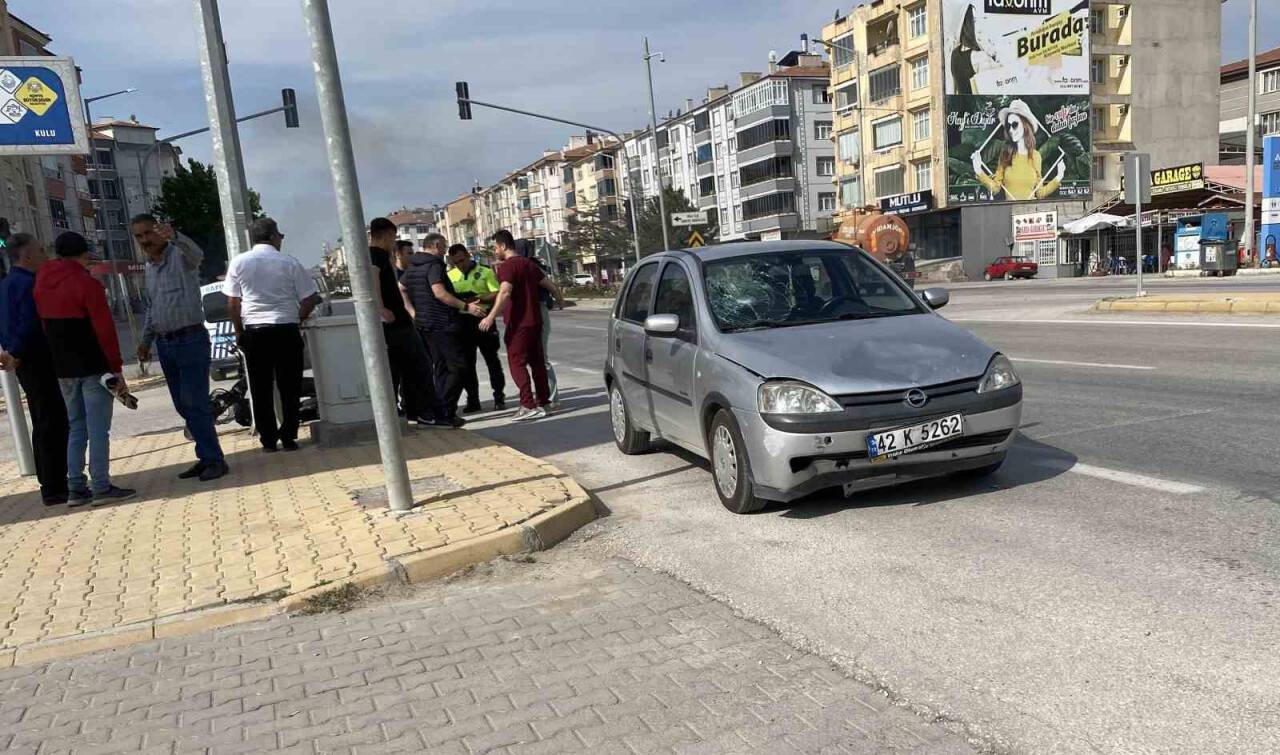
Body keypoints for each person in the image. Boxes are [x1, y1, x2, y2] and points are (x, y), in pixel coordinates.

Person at [34, 232, 135, 504]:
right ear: (84, 254)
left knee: (76, 427)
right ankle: (101, 485)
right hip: (94, 367)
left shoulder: (41, 283)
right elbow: (104, 330)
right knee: (98, 429)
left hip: (63, 369)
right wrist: (116, 368)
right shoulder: (87, 285)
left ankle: (76, 488)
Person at [132, 214, 228, 481]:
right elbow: (153, 308)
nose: (144, 241)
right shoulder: (149, 268)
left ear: (159, 231)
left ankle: (215, 460)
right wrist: (145, 340)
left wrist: (174, 235)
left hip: (190, 340)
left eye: (148, 233)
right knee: (182, 405)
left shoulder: (180, 257)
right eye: (138, 236)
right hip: (166, 344)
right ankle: (205, 455)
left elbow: (197, 254)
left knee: (195, 402)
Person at [223, 218, 322, 453]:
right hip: (286, 330)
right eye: (280, 236)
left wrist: (239, 331)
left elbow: (232, 303)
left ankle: (268, 440)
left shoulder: (239, 263)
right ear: (273, 236)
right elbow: (309, 298)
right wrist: (296, 317)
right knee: (290, 387)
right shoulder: (289, 263)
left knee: (260, 388)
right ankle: (289, 437)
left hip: (255, 333)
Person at [0, 234, 69, 505]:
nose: (45, 255)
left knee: (43, 420)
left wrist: (10, 350)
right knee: (52, 421)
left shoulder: (5, 285)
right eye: (40, 250)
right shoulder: (30, 284)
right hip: (37, 358)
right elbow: (30, 323)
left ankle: (51, 483)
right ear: (27, 256)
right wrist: (15, 352)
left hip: (23, 360)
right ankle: (55, 485)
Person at [401, 234, 485, 427]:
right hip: (442, 324)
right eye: (444, 247)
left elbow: (401, 288)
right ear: (436, 245)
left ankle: (437, 413)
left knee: (441, 368)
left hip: (425, 325)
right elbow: (439, 293)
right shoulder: (434, 264)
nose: (446, 251)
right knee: (459, 367)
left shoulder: (414, 265)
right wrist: (466, 307)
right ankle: (443, 412)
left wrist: (413, 312)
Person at [479, 231, 562, 421]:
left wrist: (491, 316)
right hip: (535, 322)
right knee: (537, 363)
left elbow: (505, 292)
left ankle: (527, 404)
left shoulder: (508, 267)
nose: (495, 251)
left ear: (502, 246)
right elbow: (549, 284)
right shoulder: (528, 264)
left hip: (518, 323)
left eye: (495, 247)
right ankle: (544, 402)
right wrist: (560, 299)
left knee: (517, 362)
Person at [369, 217, 438, 424]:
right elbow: (373, 279)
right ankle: (426, 413)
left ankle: (415, 412)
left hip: (396, 319)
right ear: (387, 235)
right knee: (419, 365)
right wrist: (381, 308)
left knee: (405, 369)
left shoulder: (378, 255)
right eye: (393, 237)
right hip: (395, 321)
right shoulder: (376, 255)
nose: (394, 241)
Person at [446, 244, 506, 413]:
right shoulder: (450, 275)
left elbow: (497, 293)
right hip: (463, 323)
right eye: (456, 262)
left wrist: (478, 297)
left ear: (468, 255)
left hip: (483, 320)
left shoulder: (485, 272)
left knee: (492, 360)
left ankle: (499, 397)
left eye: (462, 260)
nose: (460, 264)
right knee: (467, 364)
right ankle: (473, 400)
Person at [970, 100, 1066, 202]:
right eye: (1008, 126)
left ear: (1025, 125)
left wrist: (1059, 176)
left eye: (1015, 124)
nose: (1011, 130)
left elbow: (1040, 193)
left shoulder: (1036, 156)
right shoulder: (1006, 154)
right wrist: (978, 171)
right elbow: (995, 188)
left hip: (1031, 212)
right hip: (1010, 210)